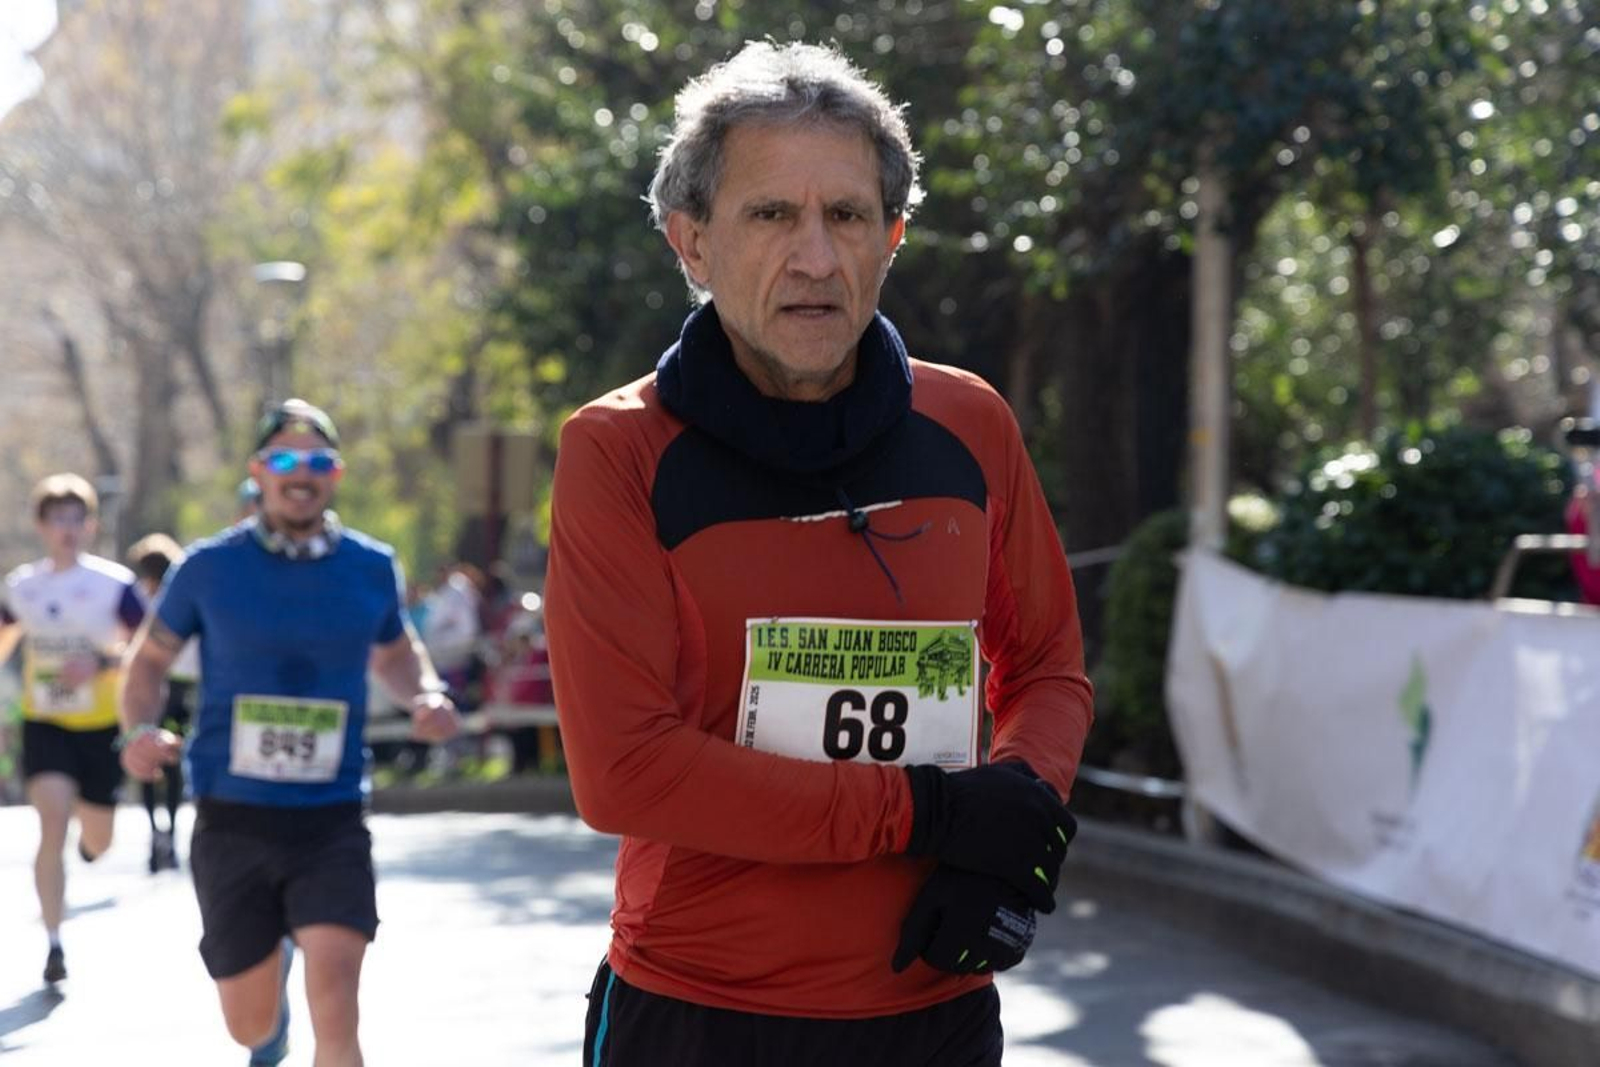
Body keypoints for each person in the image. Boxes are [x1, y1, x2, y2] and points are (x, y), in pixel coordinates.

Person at [544, 42, 1093, 1067]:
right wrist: (931, 809)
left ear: (891, 237)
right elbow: (625, 772)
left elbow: (1047, 667)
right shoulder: (617, 449)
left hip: (935, 1003)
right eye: (770, 215)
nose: (815, 256)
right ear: (691, 243)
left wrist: (1012, 818)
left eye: (846, 215)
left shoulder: (970, 424)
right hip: (701, 1009)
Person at [118, 398, 461, 1067]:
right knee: (250, 1025)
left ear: (335, 473)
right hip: (232, 818)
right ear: (258, 472)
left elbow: (394, 651)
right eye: (283, 458)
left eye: (317, 460)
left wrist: (425, 693)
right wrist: (139, 728)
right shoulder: (208, 568)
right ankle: (267, 994)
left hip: (329, 817)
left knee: (335, 1001)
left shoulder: (369, 566)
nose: (300, 473)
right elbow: (150, 658)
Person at [0, 473, 145, 984]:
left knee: (98, 838)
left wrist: (103, 663)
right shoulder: (22, 586)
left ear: (90, 525)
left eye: (75, 518)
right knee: (51, 825)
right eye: (57, 519)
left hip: (100, 724)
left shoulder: (114, 584)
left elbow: (145, 647)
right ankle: (54, 942)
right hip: (45, 724)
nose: (67, 528)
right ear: (41, 526)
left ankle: (93, 844)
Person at [125, 532, 198, 872]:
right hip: (158, 688)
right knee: (150, 756)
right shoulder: (138, 598)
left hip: (177, 690)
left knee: (170, 758)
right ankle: (158, 831)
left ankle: (168, 828)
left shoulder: (179, 598)